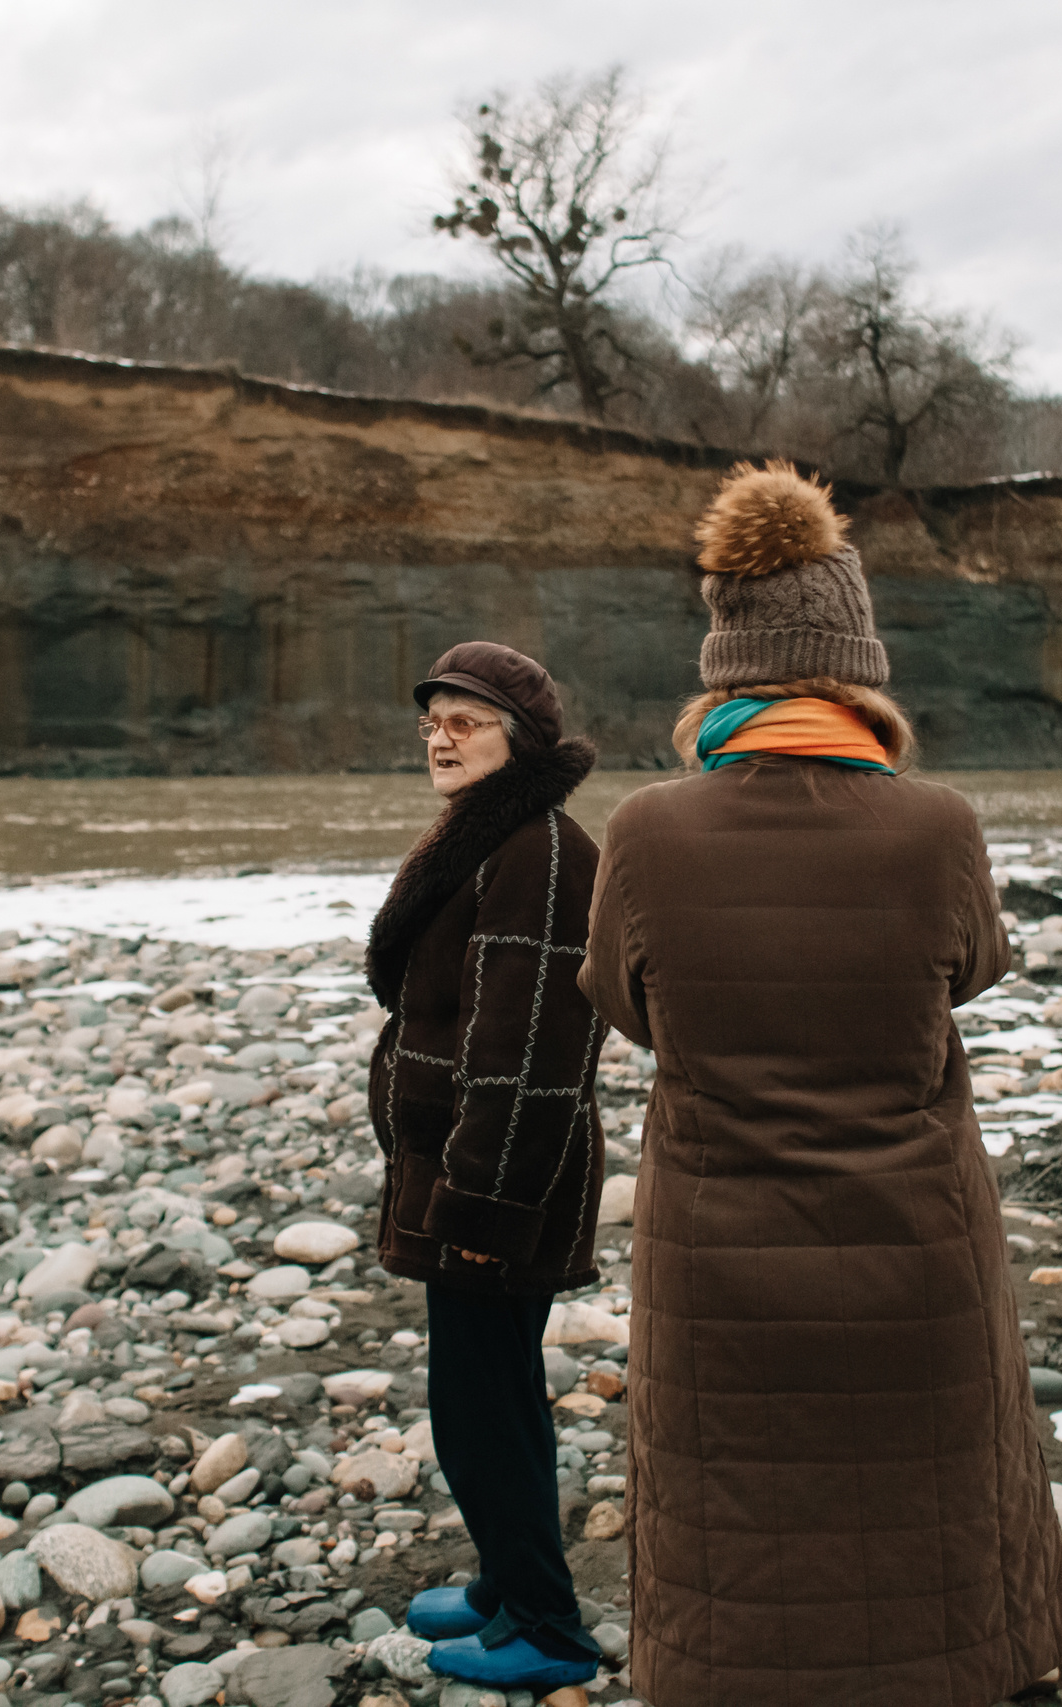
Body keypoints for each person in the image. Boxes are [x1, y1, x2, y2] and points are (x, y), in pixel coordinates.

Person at [577, 463, 1062, 1705]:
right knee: (935, 1482)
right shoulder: (937, 823)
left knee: (727, 1495)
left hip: (718, 1235)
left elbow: (620, 1005)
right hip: (915, 1227)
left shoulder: (645, 828)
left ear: (723, 670)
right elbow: (971, 972)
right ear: (857, 674)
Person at [363, 641, 610, 1693]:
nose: (438, 733)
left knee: (483, 1408)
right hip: (458, 1162)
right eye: (432, 716)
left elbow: (529, 1056)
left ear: (523, 737)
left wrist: (481, 1203)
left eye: (465, 719)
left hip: (498, 1176)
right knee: (482, 1392)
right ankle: (508, 1587)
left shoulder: (544, 855)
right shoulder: (492, 837)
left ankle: (548, 1628)